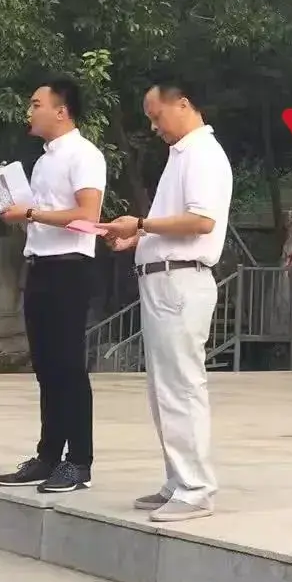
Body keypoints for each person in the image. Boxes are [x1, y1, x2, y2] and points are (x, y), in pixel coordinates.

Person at [101, 77, 232, 523]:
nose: (154, 127)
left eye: (156, 117)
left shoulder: (202, 154)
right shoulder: (181, 156)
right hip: (162, 280)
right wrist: (136, 238)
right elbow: (173, 225)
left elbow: (201, 221)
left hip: (182, 283)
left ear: (183, 104)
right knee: (164, 390)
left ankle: (196, 488)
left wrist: (140, 224)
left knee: (181, 387)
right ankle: (178, 480)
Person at [0, 77, 107, 494]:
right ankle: (48, 455)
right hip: (40, 265)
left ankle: (79, 462)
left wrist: (32, 213)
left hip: (69, 268)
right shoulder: (42, 162)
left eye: (36, 104)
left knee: (68, 366)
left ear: (61, 111)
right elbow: (40, 215)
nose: (30, 111)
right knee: (45, 367)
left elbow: (88, 215)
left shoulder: (84, 154)